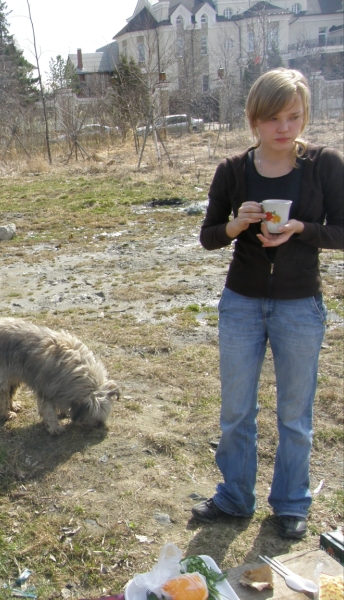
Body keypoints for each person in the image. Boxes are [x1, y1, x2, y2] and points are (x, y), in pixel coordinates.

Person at [193, 67, 343, 539]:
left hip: (300, 305)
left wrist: (303, 229)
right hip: (241, 302)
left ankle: (291, 504)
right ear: (254, 119)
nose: (284, 127)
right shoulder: (233, 170)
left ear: (305, 116)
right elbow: (208, 236)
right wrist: (236, 226)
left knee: (295, 415)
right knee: (236, 411)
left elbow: (342, 230)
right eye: (273, 118)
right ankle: (235, 497)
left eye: (294, 116)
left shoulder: (325, 165)